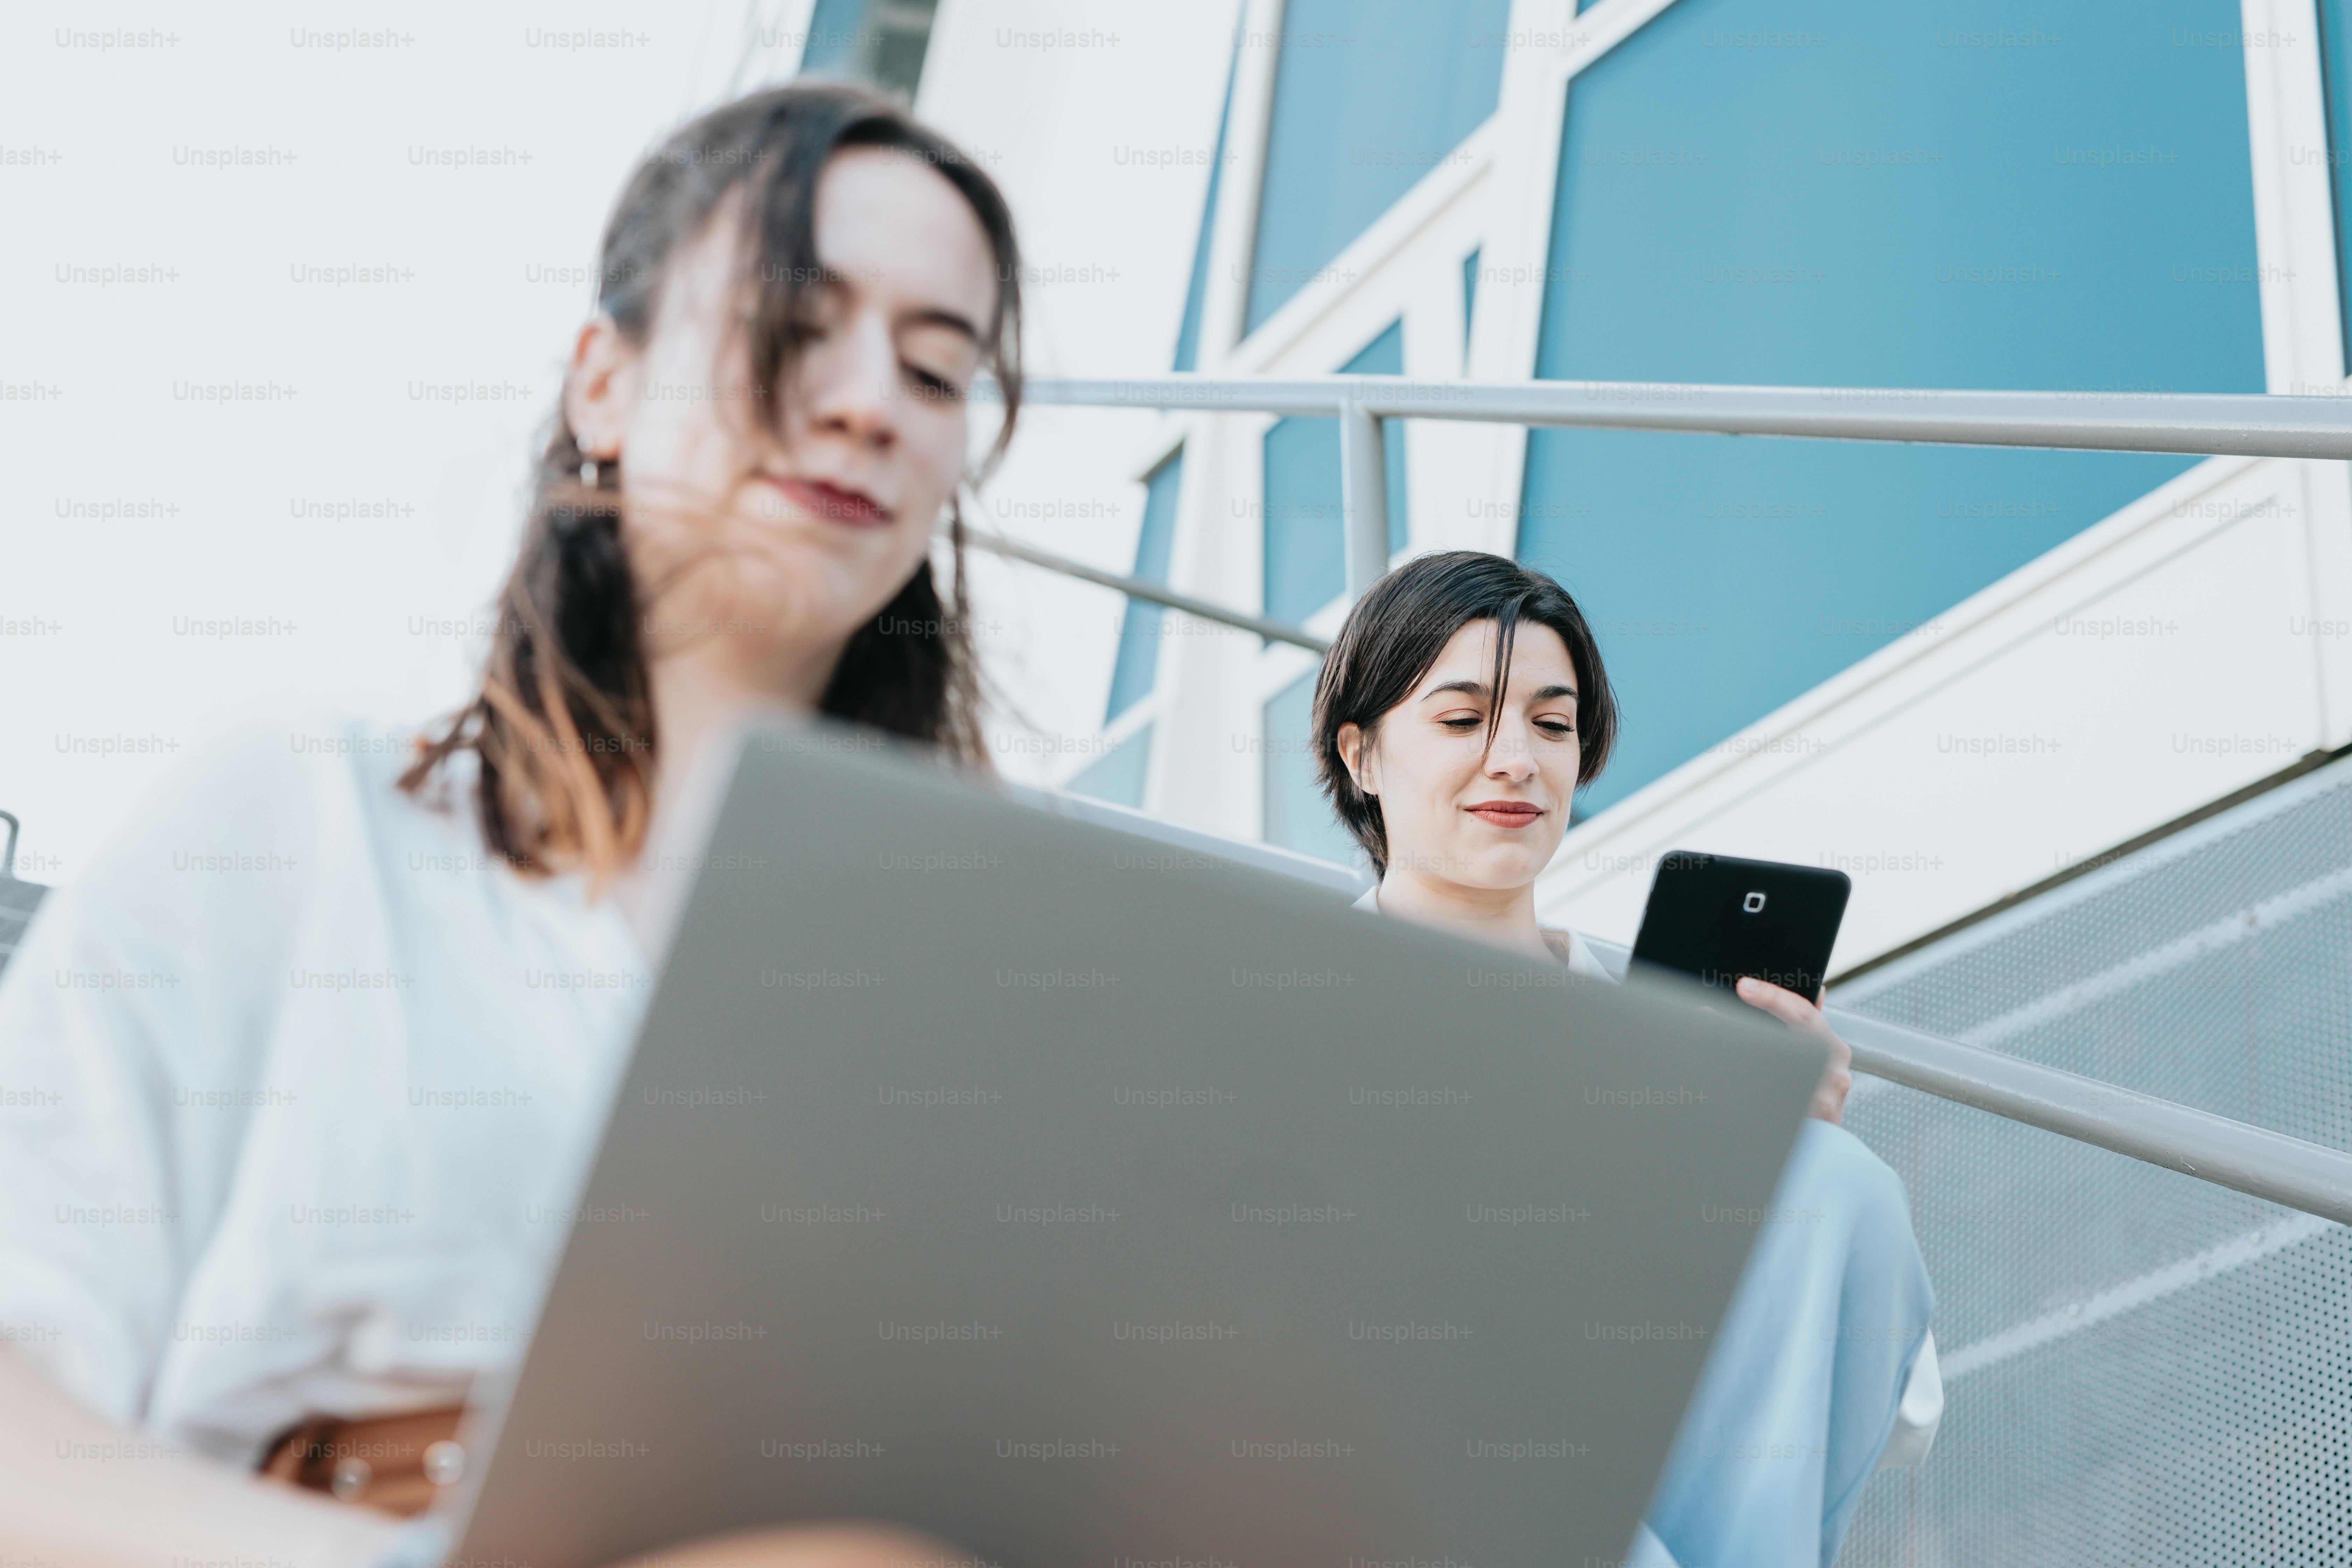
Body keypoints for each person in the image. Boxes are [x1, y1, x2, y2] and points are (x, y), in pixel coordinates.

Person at [0, 82, 1021, 1568]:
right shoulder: (305, 821)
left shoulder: (985, 989)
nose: (871, 403)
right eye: (797, 321)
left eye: (938, 371)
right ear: (604, 382)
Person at [1312, 550, 1941, 1568]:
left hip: (1681, 1511)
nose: (1516, 760)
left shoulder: (1658, 1045)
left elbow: (1894, 1417)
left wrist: (1787, 1139)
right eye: (1464, 720)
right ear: (1362, 756)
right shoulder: (1291, 1028)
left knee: (1837, 1181)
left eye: (1552, 725)